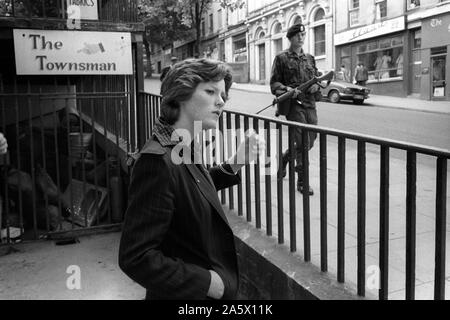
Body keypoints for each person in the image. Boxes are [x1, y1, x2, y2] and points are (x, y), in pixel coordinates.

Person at [119, 58, 264, 300]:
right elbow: (136, 257)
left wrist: (236, 161)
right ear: (181, 94)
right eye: (210, 91)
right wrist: (207, 283)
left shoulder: (182, 143)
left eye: (223, 94)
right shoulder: (156, 162)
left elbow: (190, 189)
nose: (221, 101)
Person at [270, 23, 320, 195]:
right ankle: (302, 182)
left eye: (303, 35)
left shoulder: (310, 58)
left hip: (310, 105)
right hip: (293, 106)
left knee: (310, 140)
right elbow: (274, 83)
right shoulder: (281, 58)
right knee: (302, 142)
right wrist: (286, 90)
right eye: (298, 35)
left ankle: (285, 159)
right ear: (290, 38)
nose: (301, 37)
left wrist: (316, 87)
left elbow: (317, 80)